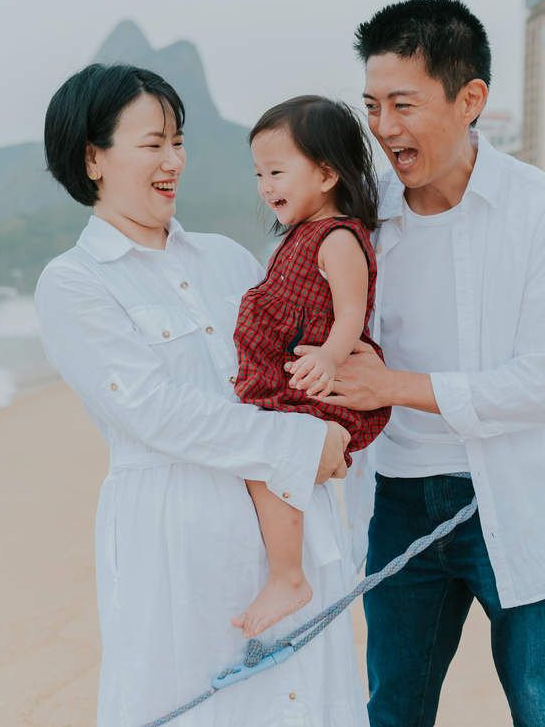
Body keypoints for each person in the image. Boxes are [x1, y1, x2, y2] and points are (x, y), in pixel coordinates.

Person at [33, 64, 369, 727]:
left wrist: (341, 419)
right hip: (179, 537)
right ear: (93, 157)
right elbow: (156, 413)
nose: (174, 160)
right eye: (153, 142)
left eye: (178, 141)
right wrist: (304, 444)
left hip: (291, 529)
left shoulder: (227, 258)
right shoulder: (74, 283)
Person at [310, 0, 545, 726]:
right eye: (372, 105)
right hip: (397, 504)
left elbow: (539, 385)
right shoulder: (359, 222)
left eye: (403, 104)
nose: (383, 127)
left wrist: (389, 386)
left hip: (518, 495)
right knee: (393, 711)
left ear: (471, 100)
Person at [229, 95, 391, 639]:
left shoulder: (338, 237)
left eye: (276, 171)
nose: (265, 185)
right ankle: (286, 569)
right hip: (294, 380)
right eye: (258, 173)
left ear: (326, 172)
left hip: (317, 384)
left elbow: (350, 311)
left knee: (267, 460)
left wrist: (328, 355)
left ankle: (288, 576)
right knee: (262, 460)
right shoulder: (296, 236)